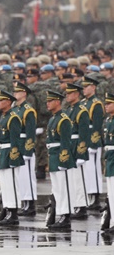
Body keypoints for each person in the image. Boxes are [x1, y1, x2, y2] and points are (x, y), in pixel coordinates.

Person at [46, 90, 75, 230]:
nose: (47, 103)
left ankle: (66, 216)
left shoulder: (63, 119)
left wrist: (64, 160)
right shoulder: (53, 118)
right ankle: (60, 214)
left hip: (61, 157)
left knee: (64, 188)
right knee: (57, 189)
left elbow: (65, 142)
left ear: (57, 102)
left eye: (50, 101)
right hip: (53, 156)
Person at [0, 90, 23, 226]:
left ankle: (13, 212)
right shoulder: (4, 117)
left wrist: (14, 157)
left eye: (1, 100)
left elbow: (15, 141)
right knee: (5, 185)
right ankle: (7, 208)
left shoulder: (13, 117)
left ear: (8, 102)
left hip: (10, 153)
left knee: (12, 184)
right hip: (3, 153)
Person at [65, 82, 89, 219]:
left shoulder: (82, 110)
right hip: (70, 144)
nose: (67, 96)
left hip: (77, 145)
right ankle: (75, 203)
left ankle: (81, 206)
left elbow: (84, 133)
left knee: (79, 177)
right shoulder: (69, 110)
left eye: (70, 93)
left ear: (76, 94)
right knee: (72, 178)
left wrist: (81, 152)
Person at [81, 75, 105, 210]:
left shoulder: (96, 103)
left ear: (93, 87)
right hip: (84, 140)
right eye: (83, 87)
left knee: (93, 169)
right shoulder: (84, 103)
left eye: (86, 86)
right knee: (86, 170)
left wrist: (94, 143)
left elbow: (97, 125)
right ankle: (88, 196)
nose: (84, 89)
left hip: (92, 140)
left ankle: (95, 198)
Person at [101, 93, 114, 233]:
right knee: (111, 193)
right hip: (110, 158)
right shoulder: (109, 120)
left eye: (109, 104)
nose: (106, 106)